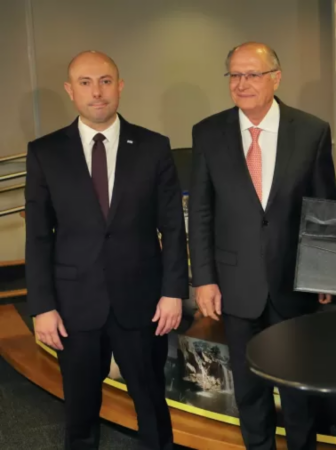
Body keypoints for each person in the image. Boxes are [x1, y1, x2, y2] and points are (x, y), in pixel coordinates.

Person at [26, 51, 187, 450]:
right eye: (85, 83)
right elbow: (39, 236)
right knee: (80, 411)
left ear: (120, 86)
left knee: (151, 404)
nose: (96, 92)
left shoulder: (153, 147)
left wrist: (172, 292)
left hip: (142, 302)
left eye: (105, 81)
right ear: (70, 90)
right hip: (74, 306)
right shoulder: (45, 152)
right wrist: (42, 306)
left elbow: (172, 227)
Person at [188, 42, 336, 450]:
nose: (242, 83)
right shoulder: (208, 132)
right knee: (250, 392)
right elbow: (201, 212)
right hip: (236, 286)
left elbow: (323, 209)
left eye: (252, 74)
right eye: (235, 75)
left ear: (276, 77)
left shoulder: (311, 131)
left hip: (295, 283)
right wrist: (204, 279)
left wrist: (325, 273)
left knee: (298, 393)